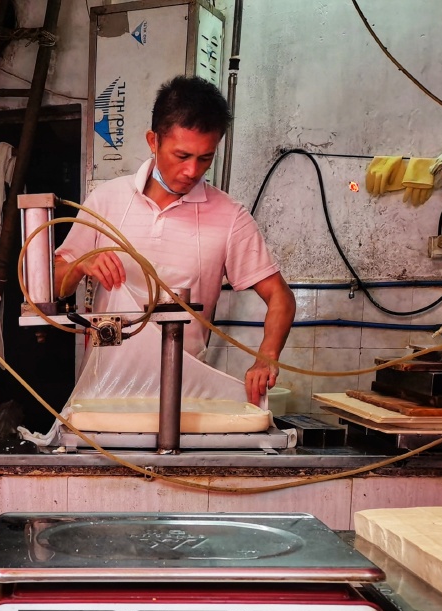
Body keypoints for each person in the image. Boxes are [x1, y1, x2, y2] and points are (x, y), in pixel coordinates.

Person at [54, 76, 294, 405]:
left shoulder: (229, 217)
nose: (192, 171)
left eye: (205, 158)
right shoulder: (107, 201)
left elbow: (280, 296)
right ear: (153, 141)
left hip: (185, 396)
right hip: (105, 394)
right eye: (181, 156)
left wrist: (266, 356)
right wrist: (82, 264)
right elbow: (55, 285)